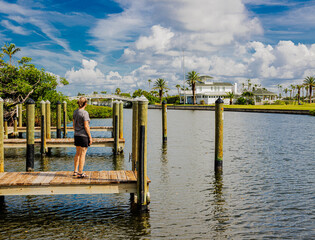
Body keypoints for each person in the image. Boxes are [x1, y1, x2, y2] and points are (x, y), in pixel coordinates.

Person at [73, 97, 92, 178]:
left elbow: (73, 125)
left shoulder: (75, 112)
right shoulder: (85, 113)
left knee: (77, 153)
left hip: (76, 135)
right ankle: (80, 173)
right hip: (83, 136)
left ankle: (75, 171)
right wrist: (90, 137)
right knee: (83, 154)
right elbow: (86, 126)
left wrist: (76, 131)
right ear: (85, 104)